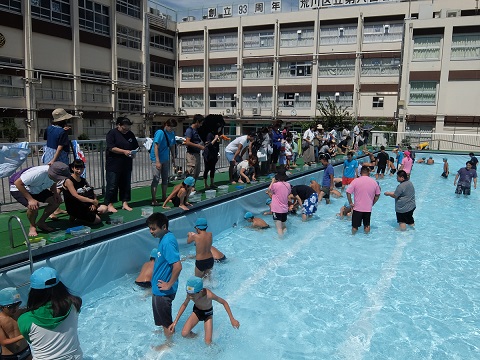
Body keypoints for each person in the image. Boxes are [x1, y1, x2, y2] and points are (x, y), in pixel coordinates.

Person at [17, 267, 83, 359]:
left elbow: (30, 340)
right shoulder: (75, 304)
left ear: (33, 292)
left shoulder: (25, 319)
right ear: (60, 286)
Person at [168, 277, 240, 345]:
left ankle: (216, 350)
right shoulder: (190, 294)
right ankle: (196, 336)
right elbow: (184, 304)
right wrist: (175, 322)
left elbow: (224, 302)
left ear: (200, 291)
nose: (190, 297)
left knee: (208, 342)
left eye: (192, 295)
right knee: (184, 334)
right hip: (197, 312)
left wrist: (232, 319)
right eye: (188, 294)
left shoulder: (209, 295)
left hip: (207, 314)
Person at [146, 213, 182, 345]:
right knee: (163, 320)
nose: (151, 232)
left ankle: (169, 345)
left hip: (163, 292)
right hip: (158, 291)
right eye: (150, 228)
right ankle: (167, 334)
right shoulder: (165, 237)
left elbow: (178, 267)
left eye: (154, 229)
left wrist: (169, 284)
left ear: (164, 227)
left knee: (167, 324)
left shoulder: (167, 242)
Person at [10, 162, 70, 236]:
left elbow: (54, 181)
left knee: (56, 202)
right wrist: (30, 199)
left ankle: (41, 222)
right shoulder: (37, 173)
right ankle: (32, 226)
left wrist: (55, 193)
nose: (58, 179)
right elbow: (18, 183)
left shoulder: (55, 177)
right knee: (33, 207)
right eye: (57, 177)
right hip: (19, 188)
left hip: (37, 187)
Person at [104, 117, 139, 212]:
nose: (126, 131)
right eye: (124, 128)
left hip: (126, 163)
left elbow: (135, 146)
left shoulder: (130, 134)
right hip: (113, 163)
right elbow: (111, 147)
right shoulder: (112, 133)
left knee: (126, 184)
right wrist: (123, 151)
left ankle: (125, 202)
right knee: (112, 185)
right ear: (118, 125)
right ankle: (109, 204)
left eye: (128, 129)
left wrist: (133, 153)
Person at [63, 159, 107, 225]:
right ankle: (78, 217)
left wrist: (94, 202)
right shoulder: (69, 181)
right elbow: (76, 196)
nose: (79, 171)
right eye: (77, 169)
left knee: (105, 209)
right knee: (97, 221)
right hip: (74, 205)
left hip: (85, 204)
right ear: (72, 168)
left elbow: (91, 192)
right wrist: (91, 201)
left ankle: (87, 215)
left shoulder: (83, 180)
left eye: (81, 169)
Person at [346, 165, 381, 234]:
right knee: (367, 225)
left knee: (355, 226)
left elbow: (348, 192)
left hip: (357, 208)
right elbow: (378, 195)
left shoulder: (355, 181)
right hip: (368, 208)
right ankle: (367, 238)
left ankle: (353, 237)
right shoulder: (374, 182)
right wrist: (373, 203)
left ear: (360, 172)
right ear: (368, 173)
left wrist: (350, 202)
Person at [0, 288, 32, 360]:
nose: (14, 308)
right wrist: (23, 335)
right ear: (1, 306)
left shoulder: (21, 313)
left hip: (26, 351)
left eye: (17, 304)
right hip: (10, 356)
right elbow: (3, 342)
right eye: (10, 307)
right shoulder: (0, 320)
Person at [151, 119, 177, 205]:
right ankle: (154, 200)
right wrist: (157, 161)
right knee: (156, 179)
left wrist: (173, 157)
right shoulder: (160, 132)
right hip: (157, 159)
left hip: (166, 158)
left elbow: (172, 145)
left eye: (173, 128)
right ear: (166, 125)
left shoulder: (172, 133)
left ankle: (164, 196)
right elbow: (156, 146)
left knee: (165, 178)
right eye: (170, 127)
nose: (171, 129)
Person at [267, 169, 291, 237]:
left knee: (279, 228)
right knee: (284, 226)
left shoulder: (275, 185)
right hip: (285, 209)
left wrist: (272, 182)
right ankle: (287, 237)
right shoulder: (288, 185)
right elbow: (288, 193)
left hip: (277, 209)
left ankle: (281, 241)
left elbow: (269, 190)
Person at [184, 114, 205, 184]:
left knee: (196, 172)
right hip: (191, 154)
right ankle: (186, 189)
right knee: (191, 172)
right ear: (197, 122)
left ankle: (192, 188)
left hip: (197, 154)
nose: (201, 125)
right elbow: (187, 142)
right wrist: (198, 146)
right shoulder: (189, 130)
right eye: (201, 123)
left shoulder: (196, 130)